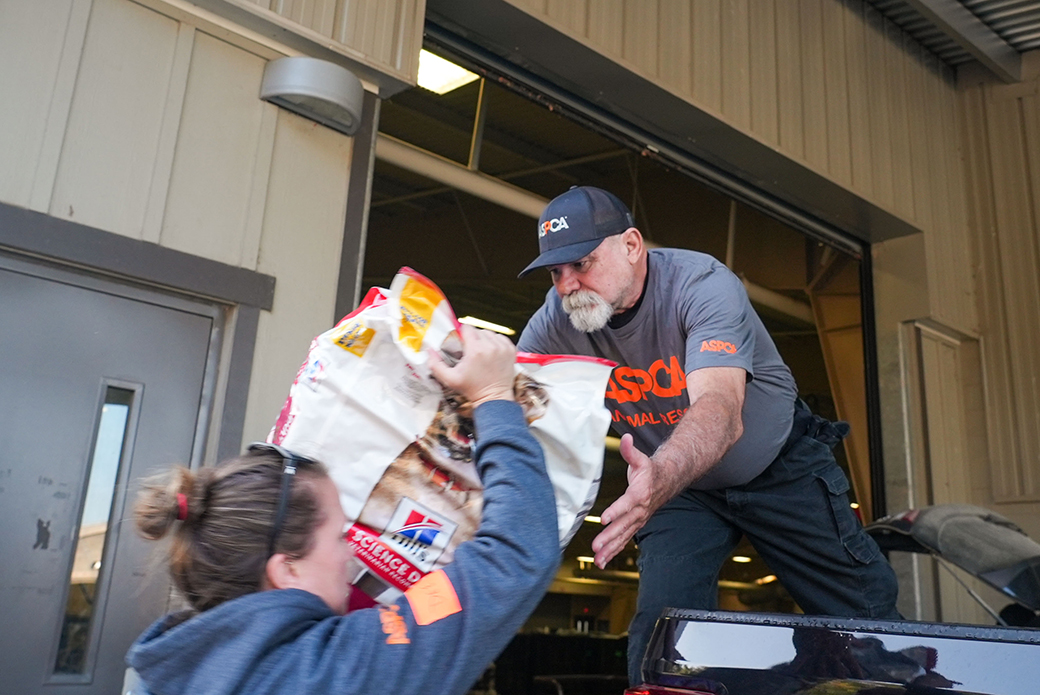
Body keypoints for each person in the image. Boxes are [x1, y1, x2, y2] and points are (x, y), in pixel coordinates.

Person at [516, 185, 900, 684]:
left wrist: (659, 476)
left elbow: (720, 410)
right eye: (555, 272)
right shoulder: (556, 321)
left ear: (631, 245)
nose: (567, 285)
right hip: (683, 491)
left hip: (774, 468)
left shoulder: (701, 285)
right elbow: (507, 405)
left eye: (581, 264)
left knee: (865, 621)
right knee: (664, 635)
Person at [125, 326, 559, 695]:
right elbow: (512, 558)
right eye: (338, 536)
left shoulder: (161, 671)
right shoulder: (334, 672)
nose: (352, 552)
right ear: (286, 570)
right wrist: (493, 397)